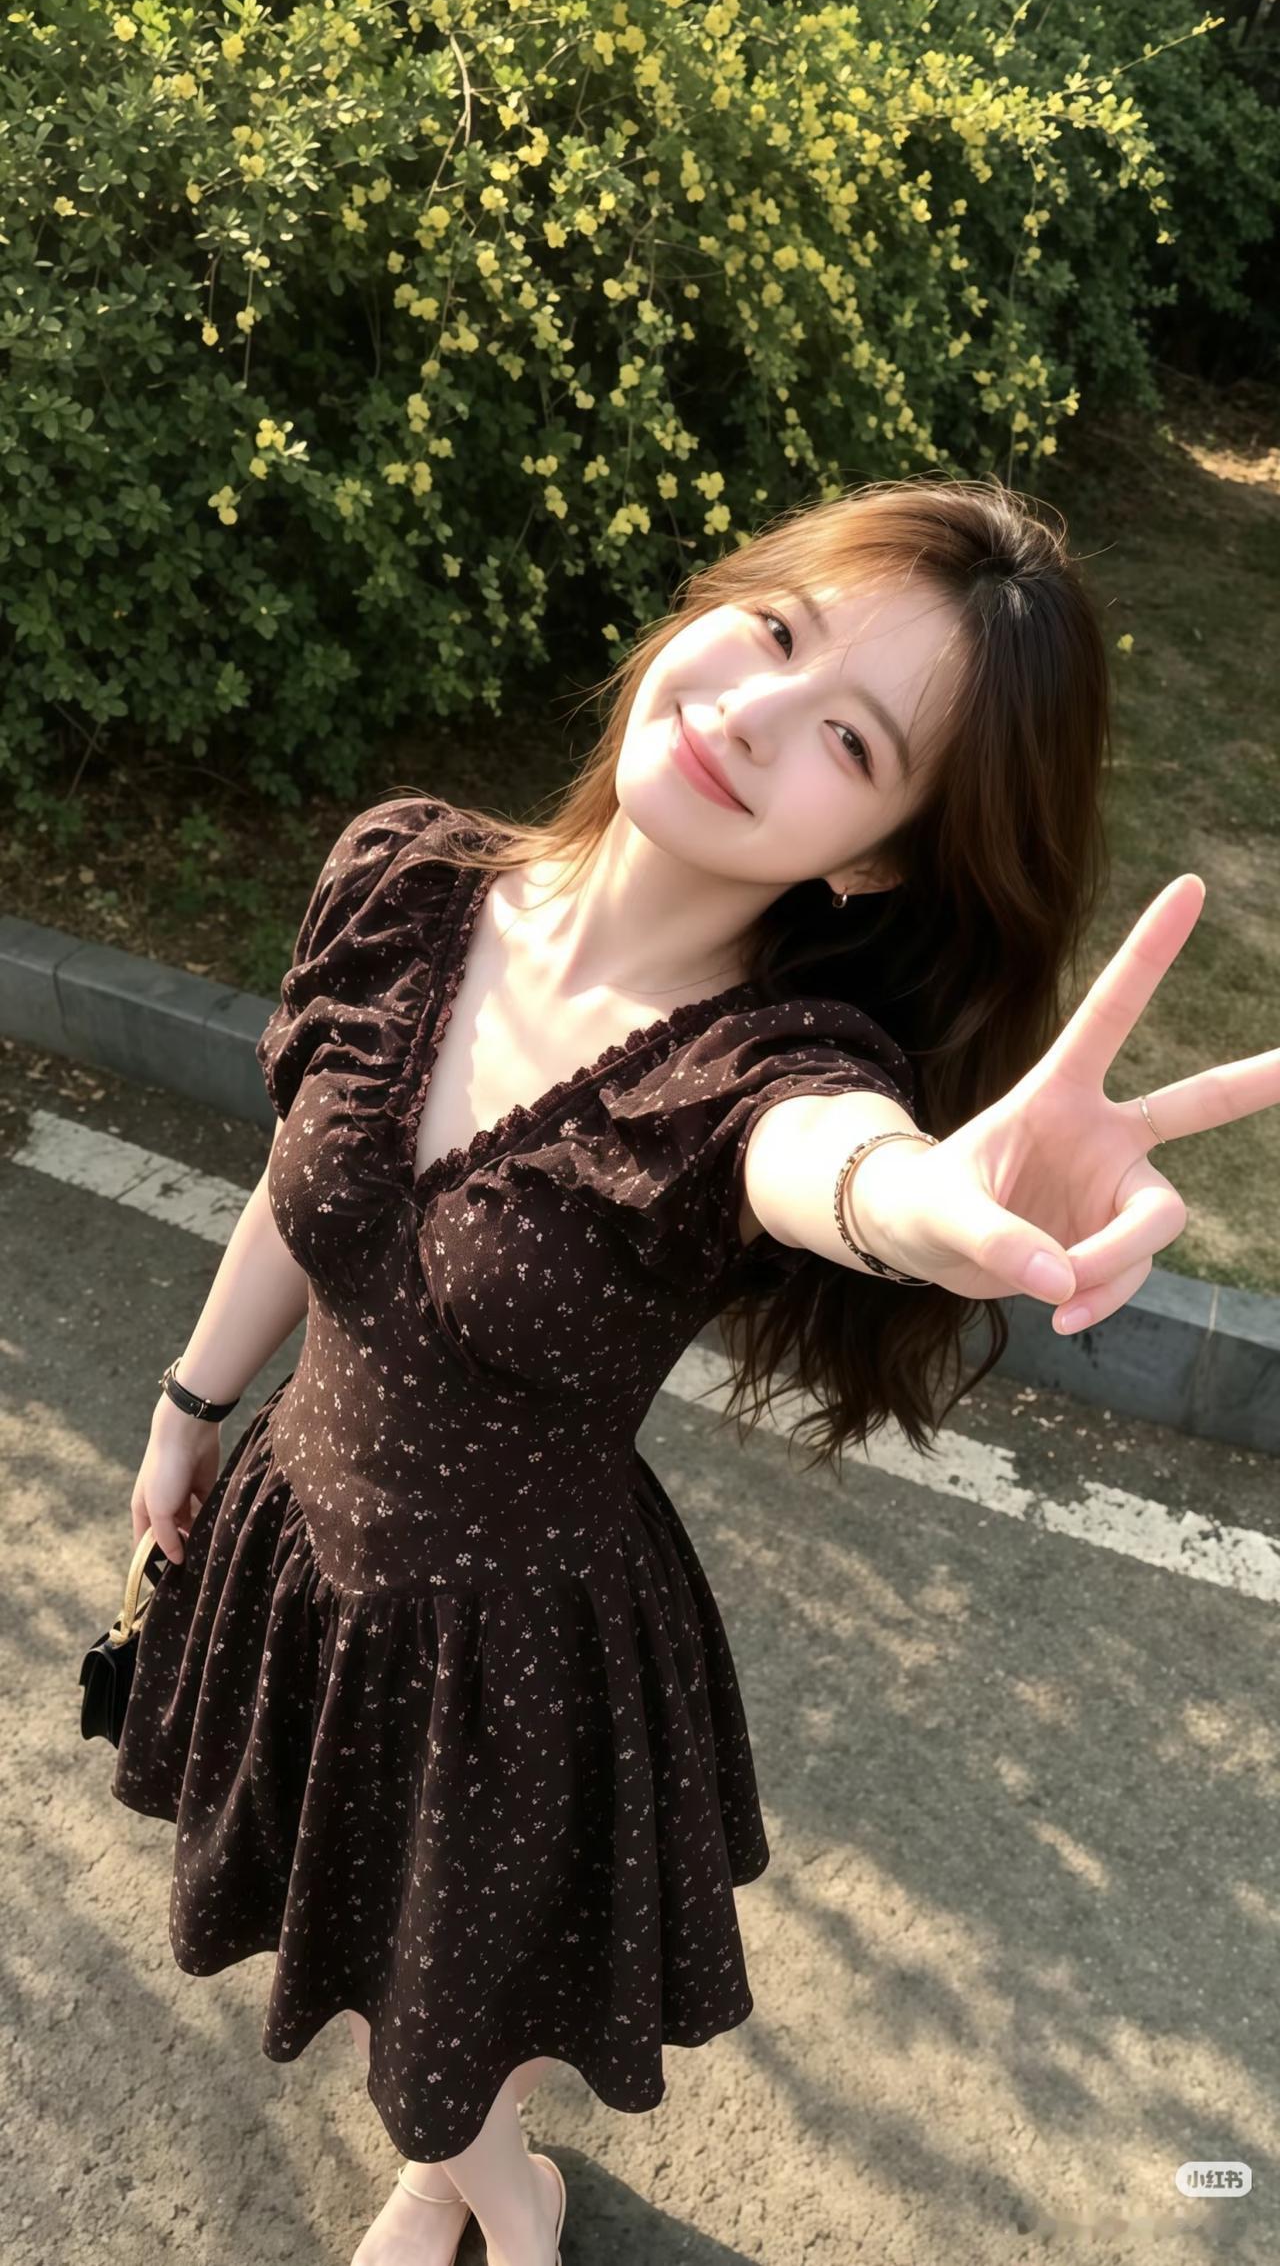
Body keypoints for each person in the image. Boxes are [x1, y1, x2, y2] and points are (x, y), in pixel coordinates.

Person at [111, 473, 1280, 2266]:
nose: (751, 714)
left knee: (455, 1994)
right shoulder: (403, 877)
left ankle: (477, 2187)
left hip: (514, 1656)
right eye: (776, 630)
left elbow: (836, 1164)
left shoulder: (762, 1072)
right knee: (351, 1923)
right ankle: (467, 2167)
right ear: (710, 603)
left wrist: (930, 1204)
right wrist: (190, 1407)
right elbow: (300, 1184)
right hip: (299, 1541)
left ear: (877, 856)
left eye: (851, 740)